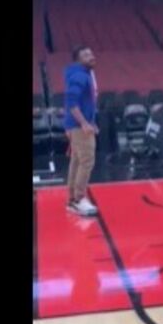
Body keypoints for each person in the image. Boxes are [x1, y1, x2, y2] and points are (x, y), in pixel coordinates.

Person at [63, 46, 100, 216]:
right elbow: (71, 102)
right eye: (86, 55)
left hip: (76, 125)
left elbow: (86, 102)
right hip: (79, 126)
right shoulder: (79, 75)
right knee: (86, 161)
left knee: (77, 162)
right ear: (78, 60)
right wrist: (85, 123)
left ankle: (72, 200)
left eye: (91, 53)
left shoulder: (84, 73)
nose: (91, 56)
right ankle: (79, 199)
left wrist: (91, 122)